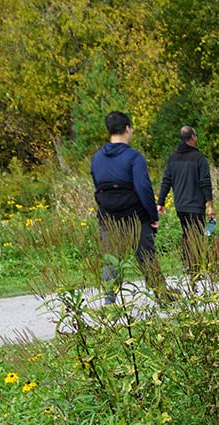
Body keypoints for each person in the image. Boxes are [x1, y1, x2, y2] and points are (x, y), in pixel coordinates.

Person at [90, 111, 168, 303]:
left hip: (108, 217)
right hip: (134, 216)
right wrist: (153, 217)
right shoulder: (134, 157)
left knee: (111, 260)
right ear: (127, 128)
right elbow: (143, 188)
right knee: (146, 257)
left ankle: (109, 302)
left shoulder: (97, 158)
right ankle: (162, 296)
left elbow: (97, 185)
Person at [157, 125, 215, 276]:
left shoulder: (173, 158)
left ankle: (188, 264)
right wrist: (210, 206)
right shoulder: (199, 159)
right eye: (196, 135)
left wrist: (161, 202)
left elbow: (166, 181)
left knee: (187, 233)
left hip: (181, 206)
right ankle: (193, 269)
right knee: (195, 235)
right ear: (192, 137)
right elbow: (205, 182)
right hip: (195, 205)